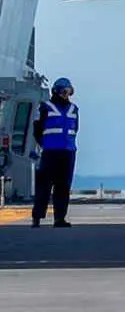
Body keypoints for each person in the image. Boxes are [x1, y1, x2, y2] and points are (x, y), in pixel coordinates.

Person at [31, 77, 79, 228]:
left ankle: (60, 219)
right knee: (44, 186)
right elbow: (37, 130)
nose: (66, 95)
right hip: (50, 152)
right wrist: (44, 144)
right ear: (57, 91)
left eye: (69, 92)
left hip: (68, 152)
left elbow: (75, 128)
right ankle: (37, 217)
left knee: (63, 186)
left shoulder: (74, 109)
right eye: (64, 91)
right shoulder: (45, 107)